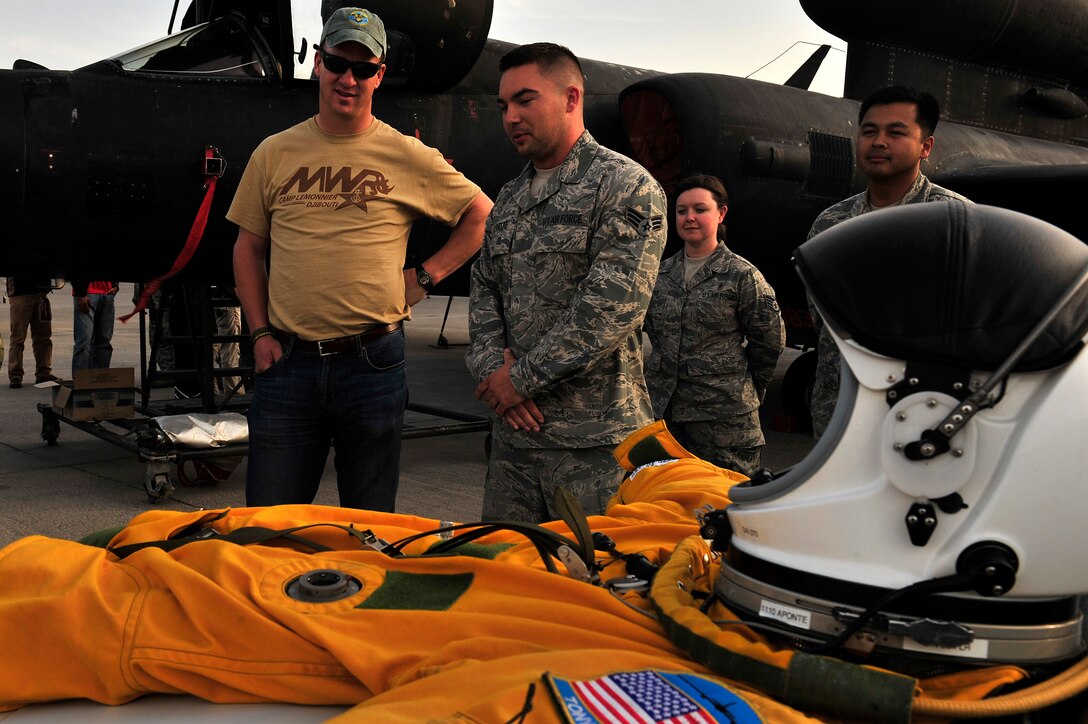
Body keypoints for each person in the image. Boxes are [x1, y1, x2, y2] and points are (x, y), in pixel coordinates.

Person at [229, 7, 492, 511]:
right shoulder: (274, 152)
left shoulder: (405, 154)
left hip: (372, 365)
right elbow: (248, 247)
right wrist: (259, 332)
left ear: (379, 76)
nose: (348, 78)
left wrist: (426, 276)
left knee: (368, 527)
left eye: (363, 68)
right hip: (288, 364)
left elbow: (481, 215)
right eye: (336, 62)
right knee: (268, 523)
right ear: (318, 64)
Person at [467, 42, 667, 523]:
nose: (511, 116)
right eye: (504, 105)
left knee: (590, 585)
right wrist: (495, 375)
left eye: (525, 100)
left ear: (572, 99)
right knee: (507, 579)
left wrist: (517, 381)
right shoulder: (510, 198)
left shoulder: (625, 186)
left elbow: (610, 310)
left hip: (592, 448)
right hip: (515, 444)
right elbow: (483, 292)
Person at [807, 86, 970, 437]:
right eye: (869, 131)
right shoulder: (830, 222)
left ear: (926, 147)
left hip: (921, 410)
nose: (878, 141)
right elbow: (819, 317)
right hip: (837, 408)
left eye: (895, 132)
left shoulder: (956, 220)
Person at [644, 175, 785, 476]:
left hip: (724, 422)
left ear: (721, 213)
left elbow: (769, 342)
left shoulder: (741, 275)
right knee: (670, 507)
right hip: (668, 420)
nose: (689, 218)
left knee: (728, 505)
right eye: (682, 211)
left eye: (700, 209)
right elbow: (654, 335)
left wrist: (745, 389)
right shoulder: (660, 274)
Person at [6, 277, 58, 388]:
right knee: (18, 338)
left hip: (40, 293)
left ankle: (43, 373)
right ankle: (15, 375)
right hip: (21, 293)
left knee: (43, 337)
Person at [71, 280, 119, 372]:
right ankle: (81, 380)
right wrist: (80, 294)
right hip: (88, 293)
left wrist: (116, 285)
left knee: (103, 340)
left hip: (107, 292)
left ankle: (99, 378)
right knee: (84, 340)